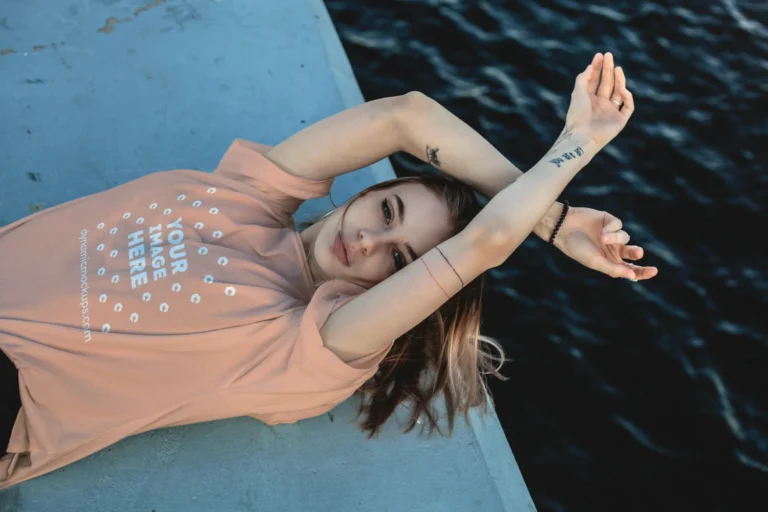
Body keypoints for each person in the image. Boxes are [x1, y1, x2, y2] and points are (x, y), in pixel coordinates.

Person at [0, 52, 656, 488]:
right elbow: (404, 117)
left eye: (399, 261)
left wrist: (577, 145)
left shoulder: (309, 346)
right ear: (365, 193)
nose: (368, 239)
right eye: (387, 209)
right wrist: (557, 216)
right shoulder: (248, 192)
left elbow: (483, 244)